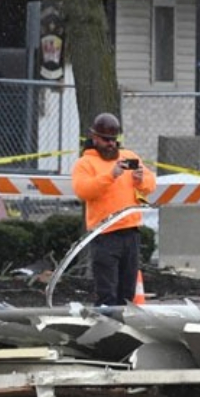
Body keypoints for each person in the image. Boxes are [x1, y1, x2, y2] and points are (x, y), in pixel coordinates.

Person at [72, 112, 156, 306]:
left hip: (130, 232)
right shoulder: (86, 163)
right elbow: (84, 190)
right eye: (105, 140)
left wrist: (140, 179)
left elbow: (150, 184)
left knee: (127, 292)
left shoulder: (129, 157)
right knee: (107, 291)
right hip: (104, 234)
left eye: (113, 140)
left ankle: (123, 329)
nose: (110, 144)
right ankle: (105, 329)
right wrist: (110, 176)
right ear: (94, 138)